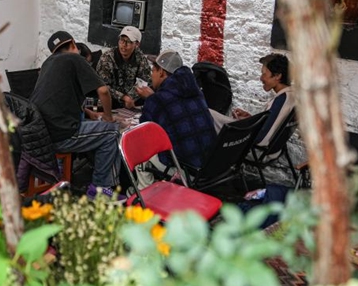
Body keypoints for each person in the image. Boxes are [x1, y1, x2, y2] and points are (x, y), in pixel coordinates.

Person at [30, 31, 121, 194]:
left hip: (40, 134)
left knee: (95, 126)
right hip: (60, 135)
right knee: (111, 132)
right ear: (73, 43)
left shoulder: (47, 64)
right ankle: (101, 188)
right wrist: (109, 117)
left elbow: (58, 98)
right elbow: (104, 91)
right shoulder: (75, 58)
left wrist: (87, 112)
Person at [134, 50, 218, 188]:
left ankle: (144, 192)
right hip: (209, 165)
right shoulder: (196, 92)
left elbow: (144, 130)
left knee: (139, 144)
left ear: (161, 72)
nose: (151, 75)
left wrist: (151, 99)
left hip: (185, 170)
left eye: (152, 71)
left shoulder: (157, 100)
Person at [228, 53, 295, 147]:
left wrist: (244, 126)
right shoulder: (292, 96)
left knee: (211, 117)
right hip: (270, 149)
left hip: (255, 150)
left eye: (264, 74)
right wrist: (250, 119)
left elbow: (261, 139)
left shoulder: (281, 101)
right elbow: (271, 125)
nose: (261, 78)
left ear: (277, 76)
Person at [95, 26, 151, 110]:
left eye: (128, 42)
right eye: (122, 40)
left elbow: (145, 81)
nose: (124, 45)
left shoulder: (140, 58)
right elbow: (103, 86)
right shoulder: (107, 58)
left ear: (136, 44)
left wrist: (130, 97)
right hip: (110, 101)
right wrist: (124, 98)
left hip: (132, 101)